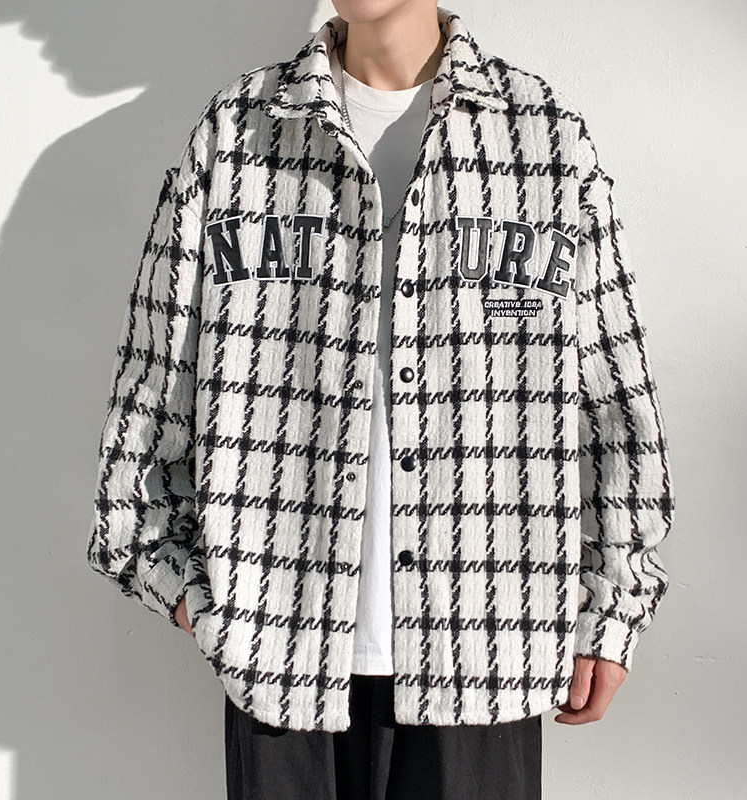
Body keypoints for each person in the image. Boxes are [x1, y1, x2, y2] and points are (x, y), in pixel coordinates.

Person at [86, 2, 674, 798]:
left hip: (487, 652)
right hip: (278, 659)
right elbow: (151, 393)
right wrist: (198, 595)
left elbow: (615, 401)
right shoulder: (237, 136)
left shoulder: (542, 140)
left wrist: (614, 607)